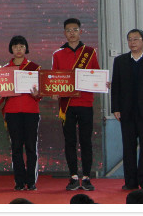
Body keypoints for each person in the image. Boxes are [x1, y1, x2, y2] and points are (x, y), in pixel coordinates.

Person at [52, 17, 99, 192]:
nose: (72, 33)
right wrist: (53, 90)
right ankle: (73, 177)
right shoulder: (57, 54)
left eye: (75, 30)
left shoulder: (90, 52)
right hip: (67, 105)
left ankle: (86, 177)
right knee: (70, 141)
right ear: (64, 33)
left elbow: (96, 74)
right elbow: (54, 78)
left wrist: (103, 83)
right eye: (68, 30)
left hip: (86, 103)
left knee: (86, 141)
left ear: (80, 31)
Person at [111, 28, 143, 192]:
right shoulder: (120, 61)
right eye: (130, 39)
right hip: (126, 112)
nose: (132, 42)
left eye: (136, 39)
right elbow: (116, 86)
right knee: (128, 147)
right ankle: (130, 181)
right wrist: (116, 108)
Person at [0, 36, 40, 192]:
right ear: (11, 49)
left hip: (31, 112)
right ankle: (19, 181)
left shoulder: (34, 68)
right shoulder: (5, 70)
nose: (18, 49)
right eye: (15, 46)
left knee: (31, 147)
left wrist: (37, 94)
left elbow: (40, 95)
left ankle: (31, 181)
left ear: (26, 48)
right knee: (16, 147)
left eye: (21, 46)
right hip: (12, 112)